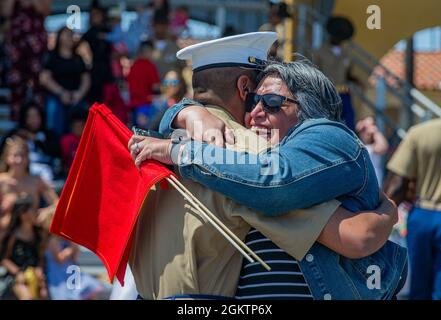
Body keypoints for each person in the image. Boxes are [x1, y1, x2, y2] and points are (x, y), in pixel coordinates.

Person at [128, 32, 405, 300]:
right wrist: (386, 212)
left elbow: (275, 181)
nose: (256, 112)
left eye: (271, 103)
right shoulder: (247, 152)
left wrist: (181, 115)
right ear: (245, 88)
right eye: (255, 100)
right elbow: (357, 235)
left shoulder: (158, 146)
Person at [384, 78, 441, 300]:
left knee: (418, 288)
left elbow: (398, 184)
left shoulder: (420, 133)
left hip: (422, 216)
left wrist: (379, 218)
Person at [0, 136, 59, 238]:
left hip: (31, 236)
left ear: (28, 158)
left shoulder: (37, 181)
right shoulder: (1, 181)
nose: (19, 160)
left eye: (23, 156)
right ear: (7, 157)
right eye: (15, 156)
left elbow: (57, 205)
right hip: (5, 236)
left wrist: (47, 212)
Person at [4, 0, 51, 120]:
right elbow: (5, 12)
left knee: (37, 80)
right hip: (16, 39)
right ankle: (17, 118)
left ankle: (37, 120)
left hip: (35, 39)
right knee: (16, 80)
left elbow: (45, 11)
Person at [40, 26, 91, 137]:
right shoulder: (52, 57)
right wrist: (61, 92)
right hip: (56, 97)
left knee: (87, 114)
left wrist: (78, 94)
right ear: (60, 37)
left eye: (71, 35)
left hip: (76, 97)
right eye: (66, 34)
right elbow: (44, 78)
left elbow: (86, 79)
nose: (70, 37)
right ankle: (54, 144)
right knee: (53, 110)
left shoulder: (78, 58)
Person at [313, 16, 361, 132]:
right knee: (328, 121)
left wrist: (356, 81)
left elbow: (348, 73)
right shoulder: (320, 52)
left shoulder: (346, 53)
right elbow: (314, 72)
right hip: (326, 93)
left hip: (343, 93)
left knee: (349, 122)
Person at [0, 195, 48, 300]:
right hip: (16, 276)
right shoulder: (12, 235)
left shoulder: (38, 233)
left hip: (36, 275)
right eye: (32, 209)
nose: (35, 211)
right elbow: (4, 258)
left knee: (44, 295)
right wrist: (18, 273)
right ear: (23, 214)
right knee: (27, 297)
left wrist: (40, 269)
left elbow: (40, 256)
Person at [0, 102, 61, 183]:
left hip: (44, 170)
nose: (34, 119)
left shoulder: (48, 134)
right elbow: (4, 152)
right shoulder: (16, 133)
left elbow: (55, 152)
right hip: (20, 168)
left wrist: (37, 140)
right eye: (30, 116)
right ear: (24, 118)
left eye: (36, 116)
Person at [45, 235, 105, 300]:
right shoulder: (53, 240)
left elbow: (75, 258)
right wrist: (71, 249)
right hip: (58, 276)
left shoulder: (68, 241)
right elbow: (59, 259)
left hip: (70, 274)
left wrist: (74, 245)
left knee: (92, 287)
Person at [79, 2, 114, 104]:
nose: (95, 17)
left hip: (108, 76)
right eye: (92, 14)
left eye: (97, 14)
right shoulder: (87, 36)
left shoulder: (109, 33)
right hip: (93, 77)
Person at [127, 41, 161, 127]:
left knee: (135, 133)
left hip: (133, 105)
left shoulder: (133, 66)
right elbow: (155, 87)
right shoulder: (150, 66)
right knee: (145, 133)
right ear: (149, 51)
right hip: (145, 105)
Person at [356, 116, 389, 187]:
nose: (367, 131)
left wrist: (375, 131)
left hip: (373, 186)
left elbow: (383, 147)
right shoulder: (358, 145)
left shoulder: (372, 146)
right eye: (364, 129)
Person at [152, 14, 185, 79]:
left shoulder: (175, 47)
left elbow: (183, 67)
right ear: (153, 26)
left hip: (171, 87)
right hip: (152, 88)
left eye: (164, 25)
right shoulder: (146, 47)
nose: (161, 28)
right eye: (158, 25)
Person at [60, 108, 88, 176]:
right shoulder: (65, 141)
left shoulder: (90, 139)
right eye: (76, 126)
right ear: (71, 126)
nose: (78, 128)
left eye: (81, 125)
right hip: (69, 175)